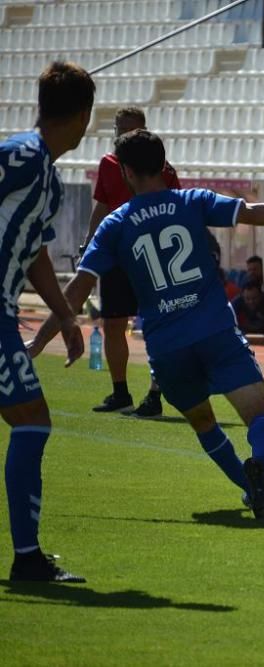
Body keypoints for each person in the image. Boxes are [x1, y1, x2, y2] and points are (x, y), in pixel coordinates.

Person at [29, 129, 264, 524]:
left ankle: (248, 485)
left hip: (167, 347)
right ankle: (260, 469)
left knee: (204, 422)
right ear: (164, 166)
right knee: (260, 418)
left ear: (128, 173)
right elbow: (254, 212)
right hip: (216, 331)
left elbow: (78, 289)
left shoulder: (115, 223)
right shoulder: (192, 201)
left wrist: (38, 340)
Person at [2, 61, 93, 583]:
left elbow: (34, 251)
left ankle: (28, 558)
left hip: (5, 313)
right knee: (32, 420)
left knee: (31, 421)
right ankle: (27, 559)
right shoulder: (22, 155)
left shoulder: (48, 182)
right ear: (82, 116)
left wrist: (64, 315)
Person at [84, 106, 181, 418]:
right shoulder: (109, 164)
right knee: (113, 322)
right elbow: (101, 205)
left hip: (149, 255)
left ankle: (155, 394)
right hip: (117, 253)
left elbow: (174, 210)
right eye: (118, 128)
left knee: (157, 323)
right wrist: (90, 240)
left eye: (128, 128)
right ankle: (120, 391)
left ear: (143, 131)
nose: (121, 133)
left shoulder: (162, 169)